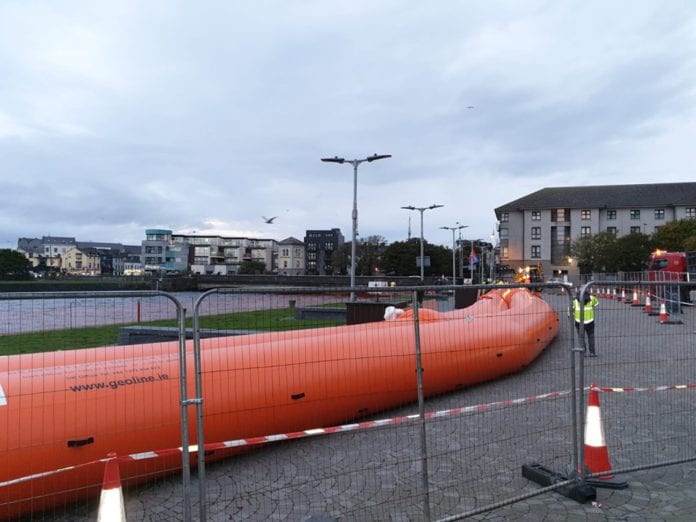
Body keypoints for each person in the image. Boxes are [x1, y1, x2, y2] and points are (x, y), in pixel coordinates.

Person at [572, 289, 600, 356]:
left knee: (581, 338)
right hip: (590, 321)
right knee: (591, 337)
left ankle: (583, 352)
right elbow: (597, 303)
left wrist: (572, 314)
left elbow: (570, 309)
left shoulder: (575, 300)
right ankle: (592, 352)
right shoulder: (592, 298)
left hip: (579, 322)